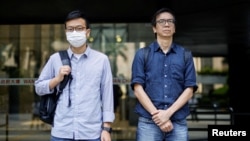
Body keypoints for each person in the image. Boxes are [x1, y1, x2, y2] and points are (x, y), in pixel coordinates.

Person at [35, 10, 115, 141]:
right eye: (70, 29)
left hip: (91, 133)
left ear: (87, 32)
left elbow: (107, 96)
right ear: (66, 32)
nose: (75, 33)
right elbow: (38, 88)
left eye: (79, 28)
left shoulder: (101, 60)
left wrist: (106, 129)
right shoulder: (55, 59)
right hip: (62, 132)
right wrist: (57, 79)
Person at [131, 8, 198, 141]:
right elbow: (138, 89)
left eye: (170, 21)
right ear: (154, 29)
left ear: (174, 28)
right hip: (148, 123)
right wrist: (159, 117)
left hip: (177, 122)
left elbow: (189, 89)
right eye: (161, 21)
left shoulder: (185, 55)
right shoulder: (142, 54)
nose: (166, 24)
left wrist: (168, 113)